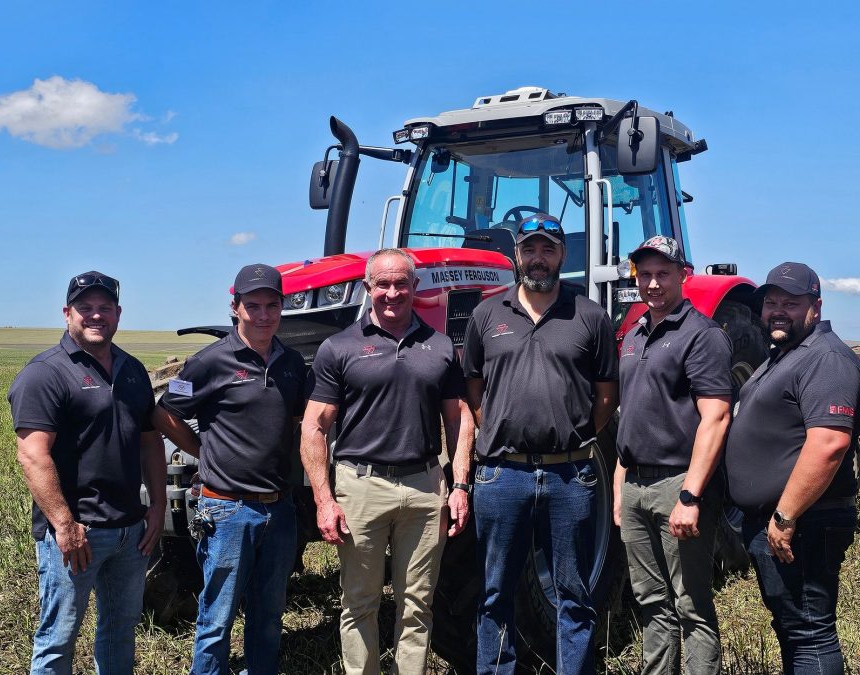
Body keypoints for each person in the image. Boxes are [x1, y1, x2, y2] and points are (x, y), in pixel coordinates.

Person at [302, 248, 474, 675]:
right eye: (383, 284)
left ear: (415, 288)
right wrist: (324, 500)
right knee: (359, 602)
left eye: (402, 283)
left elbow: (459, 419)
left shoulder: (438, 347)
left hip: (424, 485)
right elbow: (314, 427)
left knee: (417, 604)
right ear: (367, 288)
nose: (392, 292)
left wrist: (459, 485)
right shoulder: (338, 347)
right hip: (361, 487)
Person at [463, 213, 619, 675]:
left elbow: (607, 394)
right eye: (530, 249)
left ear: (562, 255)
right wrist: (495, 428)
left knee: (574, 592)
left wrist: (572, 433)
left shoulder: (590, 315)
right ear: (516, 255)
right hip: (501, 474)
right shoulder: (487, 314)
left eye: (548, 248)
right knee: (495, 593)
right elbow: (473, 387)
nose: (538, 258)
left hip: (569, 475)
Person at [152, 263, 307, 675]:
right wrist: (201, 451)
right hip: (227, 510)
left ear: (281, 308)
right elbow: (166, 413)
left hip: (280, 510)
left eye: (271, 306)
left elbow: (299, 421)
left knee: (269, 614)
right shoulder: (209, 363)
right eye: (252, 306)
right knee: (217, 618)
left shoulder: (292, 364)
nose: (262, 315)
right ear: (235, 307)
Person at [8, 271, 166, 675]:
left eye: (105, 308)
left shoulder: (131, 370)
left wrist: (158, 504)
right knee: (58, 638)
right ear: (67, 314)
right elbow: (32, 456)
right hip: (76, 533)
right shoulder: (45, 373)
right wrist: (64, 524)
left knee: (119, 630)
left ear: (118, 313)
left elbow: (149, 440)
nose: (96, 315)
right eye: (85, 308)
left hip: (130, 532)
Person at [723, 262, 860, 674]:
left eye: (791, 301)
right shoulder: (785, 355)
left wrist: (785, 515)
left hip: (804, 522)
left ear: (815, 307)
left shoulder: (826, 358)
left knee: (809, 633)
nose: (778, 310)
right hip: (781, 521)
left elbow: (829, 444)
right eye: (771, 302)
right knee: (793, 627)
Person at [614, 236, 733, 674]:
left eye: (663, 273)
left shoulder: (702, 336)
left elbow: (716, 417)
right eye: (644, 274)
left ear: (684, 275)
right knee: (649, 600)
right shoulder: (633, 335)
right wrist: (618, 489)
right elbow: (630, 416)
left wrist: (690, 496)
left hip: (676, 485)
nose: (652, 283)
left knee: (691, 604)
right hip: (635, 485)